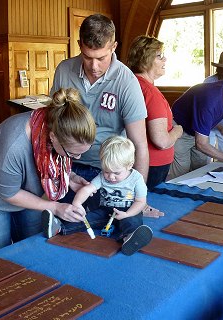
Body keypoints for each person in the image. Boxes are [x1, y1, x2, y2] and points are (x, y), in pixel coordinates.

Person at [0, 88, 96, 254]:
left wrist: (71, 178)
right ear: (53, 137)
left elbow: (55, 160)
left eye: (82, 152)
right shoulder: (16, 144)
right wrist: (55, 207)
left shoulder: (56, 125)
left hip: (25, 192)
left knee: (31, 250)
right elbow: (8, 193)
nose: (77, 157)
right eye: (72, 154)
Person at [50, 14, 149, 212]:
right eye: (87, 57)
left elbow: (139, 144)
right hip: (68, 166)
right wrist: (61, 171)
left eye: (101, 58)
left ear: (114, 47)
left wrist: (138, 196)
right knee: (67, 227)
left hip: (108, 171)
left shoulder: (127, 82)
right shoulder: (64, 70)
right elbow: (52, 125)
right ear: (79, 45)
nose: (94, 67)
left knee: (105, 229)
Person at [42, 136, 153, 256]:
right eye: (106, 171)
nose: (110, 177)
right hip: (105, 211)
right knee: (85, 218)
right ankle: (58, 228)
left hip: (127, 211)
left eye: (116, 173)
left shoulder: (136, 179)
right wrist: (77, 204)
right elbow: (87, 189)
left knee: (132, 222)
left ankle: (130, 239)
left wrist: (127, 214)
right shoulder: (101, 176)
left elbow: (140, 202)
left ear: (129, 165)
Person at [169, 81, 223, 179]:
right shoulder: (210, 102)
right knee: (181, 171)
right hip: (180, 128)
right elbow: (201, 144)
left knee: (200, 169)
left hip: (197, 130)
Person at [127, 35, 183, 190]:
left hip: (133, 161)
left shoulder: (130, 84)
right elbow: (161, 141)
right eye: (159, 56)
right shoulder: (150, 93)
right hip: (152, 165)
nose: (165, 60)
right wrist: (178, 130)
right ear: (146, 60)